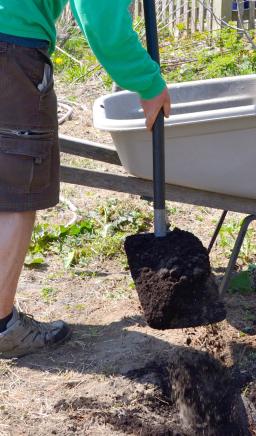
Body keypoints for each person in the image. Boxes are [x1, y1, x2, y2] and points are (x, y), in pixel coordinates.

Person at [0, 0, 171, 358]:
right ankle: (3, 328)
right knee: (18, 190)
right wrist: (148, 82)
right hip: (11, 51)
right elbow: (99, 16)